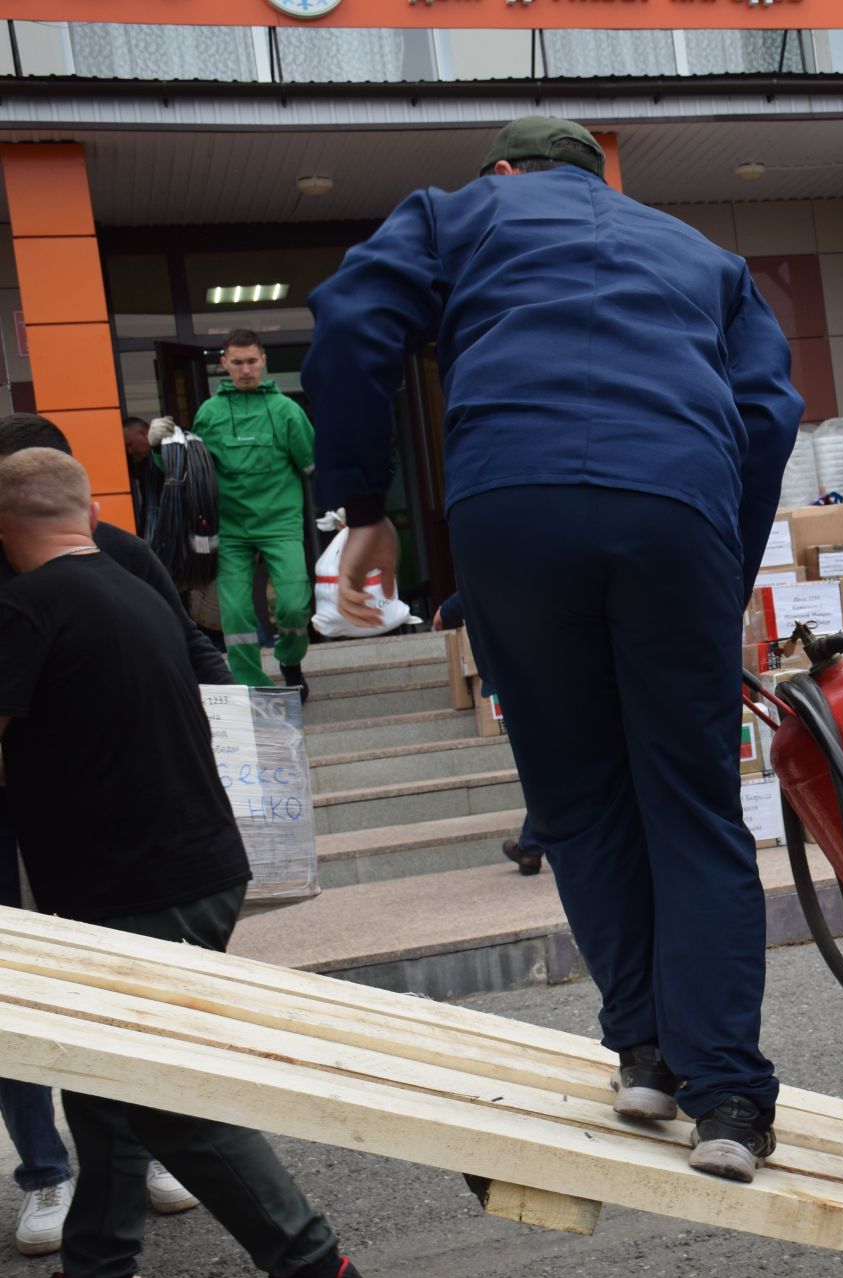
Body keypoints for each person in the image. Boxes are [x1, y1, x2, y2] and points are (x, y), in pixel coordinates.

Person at [303, 116, 802, 1181]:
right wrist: (721, 559)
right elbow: (766, 408)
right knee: (694, 802)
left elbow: (352, 315)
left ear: (503, 170)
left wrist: (363, 500)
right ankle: (727, 1100)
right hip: (674, 505)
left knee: (577, 798)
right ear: (602, 179)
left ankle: (645, 1053)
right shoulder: (702, 255)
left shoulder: (461, 211)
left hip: (510, 503)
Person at [0, 448, 362, 1278]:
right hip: (201, 867)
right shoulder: (137, 589)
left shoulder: (24, 609)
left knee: (168, 1103)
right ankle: (96, 1261)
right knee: (101, 1081)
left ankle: (315, 1265)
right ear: (87, 514)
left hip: (134, 884)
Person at [0, 414, 222, 1257]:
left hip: (115, 828)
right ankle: (48, 1173)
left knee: (136, 1005)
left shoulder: (114, 553)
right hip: (18, 821)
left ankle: (155, 1153)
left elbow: (196, 656)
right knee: (17, 998)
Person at [193, 329, 316, 697]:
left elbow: (310, 465)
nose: (245, 370)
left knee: (294, 606)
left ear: (263, 360)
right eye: (237, 362)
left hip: (280, 523)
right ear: (223, 365)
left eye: (251, 361)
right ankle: (253, 685)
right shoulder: (209, 414)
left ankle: (290, 660)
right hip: (231, 529)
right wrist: (159, 447)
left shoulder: (287, 411)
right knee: (234, 614)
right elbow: (189, 471)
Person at [431, 591, 543, 875]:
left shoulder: (493, 560)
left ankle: (531, 846)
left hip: (520, 674)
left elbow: (442, 619)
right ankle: (531, 845)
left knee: (545, 769)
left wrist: (450, 608)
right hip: (550, 669)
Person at [121, 415, 161, 537]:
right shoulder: (143, 465)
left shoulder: (170, 455)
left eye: (130, 444)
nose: (130, 451)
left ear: (144, 433)